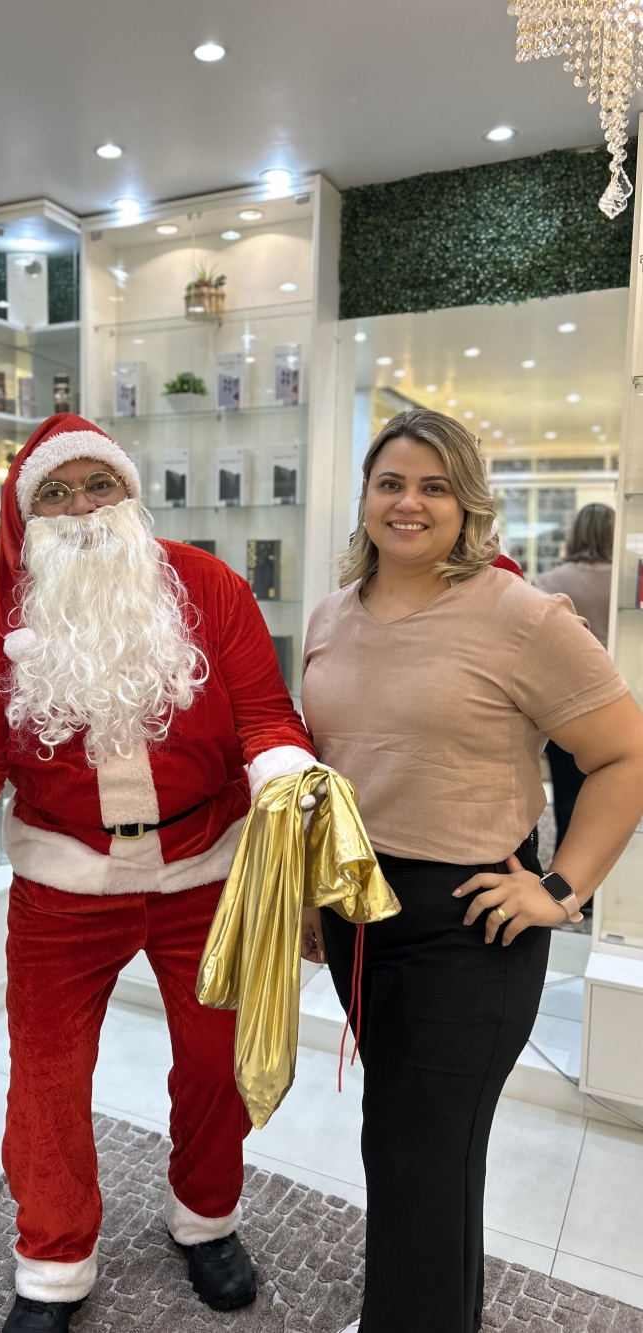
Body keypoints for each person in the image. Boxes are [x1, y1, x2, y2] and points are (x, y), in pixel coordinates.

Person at [0, 412, 316, 1333]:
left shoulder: (209, 586)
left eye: (98, 484)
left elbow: (267, 713)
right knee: (47, 1080)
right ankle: (53, 1263)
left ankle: (206, 1218)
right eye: (56, 494)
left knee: (215, 1063)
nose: (81, 507)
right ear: (29, 517)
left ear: (130, 493)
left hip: (204, 870)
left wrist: (283, 771)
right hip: (63, 888)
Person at [298, 410, 643, 1333]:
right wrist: (310, 897)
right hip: (356, 908)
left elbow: (625, 754)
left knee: (424, 1152)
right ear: (365, 497)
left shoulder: (520, 615)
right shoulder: (332, 615)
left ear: (468, 504)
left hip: (468, 924)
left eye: (434, 486)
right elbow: (328, 769)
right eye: (391, 483)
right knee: (401, 1140)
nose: (408, 502)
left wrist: (562, 888)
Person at [536, 503, 616, 867]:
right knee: (617, 791)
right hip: (620, 698)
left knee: (568, 795)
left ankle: (566, 871)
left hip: (564, 702)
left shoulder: (550, 582)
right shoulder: (625, 581)